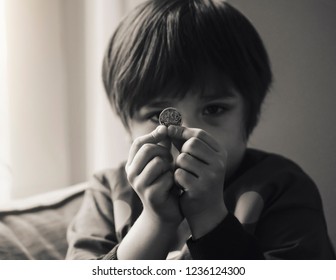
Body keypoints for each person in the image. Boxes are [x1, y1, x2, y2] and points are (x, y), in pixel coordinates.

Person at [66, 0, 335, 260]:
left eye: (214, 109)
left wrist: (210, 214)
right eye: (158, 115)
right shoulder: (108, 192)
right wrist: (155, 220)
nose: (190, 133)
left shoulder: (281, 186)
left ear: (249, 115)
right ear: (127, 126)